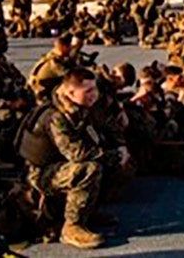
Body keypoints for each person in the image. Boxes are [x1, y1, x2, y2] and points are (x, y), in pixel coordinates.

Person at [19, 67, 132, 250]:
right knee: (88, 169)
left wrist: (121, 147)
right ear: (71, 92)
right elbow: (77, 154)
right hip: (41, 174)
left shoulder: (83, 106)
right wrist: (114, 156)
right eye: (88, 91)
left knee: (115, 163)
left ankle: (87, 212)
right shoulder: (56, 116)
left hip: (63, 165)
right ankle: (72, 227)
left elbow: (108, 124)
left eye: (94, 89)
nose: (94, 95)